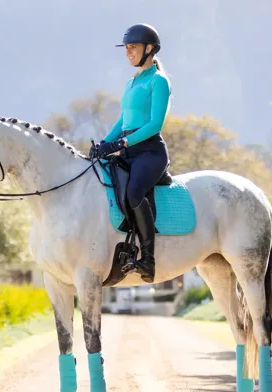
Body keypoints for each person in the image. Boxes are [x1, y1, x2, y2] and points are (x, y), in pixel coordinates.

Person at [90, 23, 171, 283]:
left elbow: (155, 125)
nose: (128, 52)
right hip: (128, 149)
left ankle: (148, 259)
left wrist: (123, 144)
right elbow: (123, 120)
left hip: (149, 152)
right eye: (126, 48)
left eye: (132, 47)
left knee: (134, 192)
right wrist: (105, 143)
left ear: (149, 49)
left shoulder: (159, 81)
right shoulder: (131, 81)